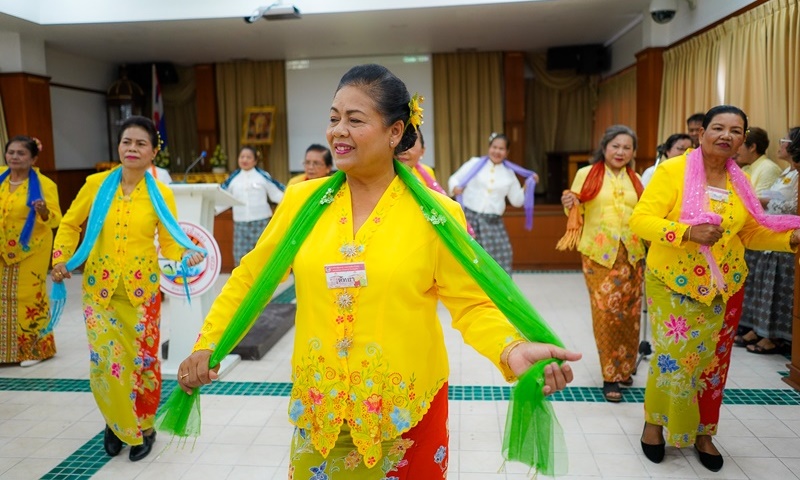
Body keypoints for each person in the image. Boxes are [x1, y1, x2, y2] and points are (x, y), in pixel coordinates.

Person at [177, 64, 580, 479]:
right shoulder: (302, 202)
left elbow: (473, 305)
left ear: (394, 132)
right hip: (323, 412)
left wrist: (512, 350)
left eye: (355, 120)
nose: (338, 131)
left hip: (406, 415)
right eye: (334, 118)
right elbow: (251, 279)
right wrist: (211, 341)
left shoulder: (437, 215)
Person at [631, 106, 800, 472]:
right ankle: (654, 424)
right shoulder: (672, 171)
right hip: (672, 281)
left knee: (712, 366)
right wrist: (687, 232)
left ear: (743, 139)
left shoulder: (740, 181)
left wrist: (791, 238)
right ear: (702, 132)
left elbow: (750, 232)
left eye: (736, 130)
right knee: (673, 359)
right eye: (718, 128)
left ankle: (704, 433)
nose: (726, 135)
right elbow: (640, 220)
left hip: (725, 285)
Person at [51, 116, 205, 462]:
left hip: (141, 294)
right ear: (118, 147)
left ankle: (145, 427)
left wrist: (187, 254)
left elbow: (169, 241)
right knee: (106, 364)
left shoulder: (160, 192)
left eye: (140, 144)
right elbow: (70, 222)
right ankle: (119, 424)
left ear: (154, 152)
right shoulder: (95, 185)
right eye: (126, 142)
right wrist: (61, 257)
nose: (132, 149)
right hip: (99, 292)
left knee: (142, 364)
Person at [558, 125, 646, 402]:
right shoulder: (587, 173)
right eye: (615, 146)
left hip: (632, 254)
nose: (620, 152)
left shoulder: (637, 179)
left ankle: (625, 367)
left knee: (630, 315)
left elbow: (644, 211)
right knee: (607, 314)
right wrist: (568, 202)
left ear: (633, 152)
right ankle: (611, 376)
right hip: (600, 255)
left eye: (627, 147)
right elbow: (576, 209)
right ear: (605, 147)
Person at [737, 126, 800, 354]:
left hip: (786, 238)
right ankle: (760, 329)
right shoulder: (787, 172)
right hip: (771, 235)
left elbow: (782, 203)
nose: (780, 144)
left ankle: (774, 337)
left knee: (777, 292)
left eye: (785, 140)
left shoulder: (781, 171)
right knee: (763, 290)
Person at [0, 136, 61, 367]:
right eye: (11, 152)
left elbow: (55, 220)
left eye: (21, 153)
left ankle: (34, 350)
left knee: (28, 297)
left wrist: (44, 211)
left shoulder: (45, 185)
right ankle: (5, 352)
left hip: (31, 250)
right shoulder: (1, 177)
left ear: (33, 158)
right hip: (2, 247)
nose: (14, 157)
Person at [447, 133, 538, 275]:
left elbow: (517, 201)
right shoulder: (474, 163)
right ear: (489, 148)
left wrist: (528, 186)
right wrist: (455, 188)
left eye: (501, 149)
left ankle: (497, 296)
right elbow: (454, 179)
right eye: (494, 147)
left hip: (493, 223)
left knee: (501, 260)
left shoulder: (509, 174)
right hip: (469, 219)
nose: (497, 151)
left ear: (507, 153)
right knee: (469, 259)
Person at [220, 146, 285, 266]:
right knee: (241, 257)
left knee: (262, 256)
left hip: (261, 222)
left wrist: (292, 202)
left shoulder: (263, 176)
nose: (244, 160)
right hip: (240, 224)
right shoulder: (233, 179)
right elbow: (225, 199)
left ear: (255, 161)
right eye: (242, 157)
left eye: (248, 157)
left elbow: (276, 195)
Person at [733, 127, 781, 198]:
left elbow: (759, 202)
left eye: (739, 145)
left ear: (752, 147)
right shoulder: (746, 168)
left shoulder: (768, 168)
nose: (736, 150)